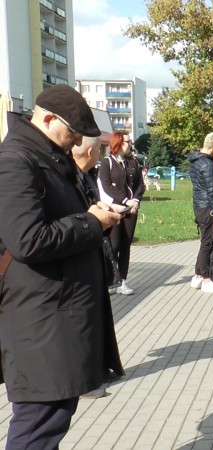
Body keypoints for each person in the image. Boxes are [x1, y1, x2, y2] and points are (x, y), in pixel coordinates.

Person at [0, 84, 124, 448]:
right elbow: (28, 240)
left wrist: (98, 214)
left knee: (51, 418)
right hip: (40, 318)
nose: (74, 142)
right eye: (71, 132)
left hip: (57, 313)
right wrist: (92, 222)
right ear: (48, 118)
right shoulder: (15, 162)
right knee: (40, 422)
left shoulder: (48, 158)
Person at [72, 136, 127, 399]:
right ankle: (84, 378)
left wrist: (101, 209)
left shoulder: (84, 175)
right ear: (92, 151)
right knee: (82, 321)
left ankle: (102, 365)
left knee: (98, 313)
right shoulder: (68, 176)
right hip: (74, 260)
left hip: (91, 252)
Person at [98, 132, 144, 295]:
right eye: (126, 142)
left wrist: (136, 201)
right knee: (114, 244)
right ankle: (110, 279)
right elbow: (106, 185)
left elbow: (140, 184)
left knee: (125, 245)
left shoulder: (133, 162)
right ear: (117, 143)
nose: (130, 144)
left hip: (131, 210)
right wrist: (125, 200)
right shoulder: (107, 163)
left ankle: (122, 281)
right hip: (115, 209)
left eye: (130, 142)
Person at [188, 132, 213, 293]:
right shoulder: (208, 165)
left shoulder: (195, 161)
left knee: (205, 241)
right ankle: (206, 280)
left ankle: (197, 276)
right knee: (207, 244)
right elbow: (212, 191)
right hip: (208, 208)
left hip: (199, 205)